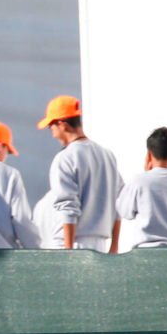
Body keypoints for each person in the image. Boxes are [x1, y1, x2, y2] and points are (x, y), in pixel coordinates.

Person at [38, 95, 124, 251]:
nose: (51, 132)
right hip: (101, 246)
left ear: (62, 124)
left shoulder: (65, 157)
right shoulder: (107, 155)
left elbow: (67, 206)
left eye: (51, 126)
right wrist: (115, 246)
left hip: (71, 242)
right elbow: (118, 202)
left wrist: (69, 250)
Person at [115, 127, 167, 248]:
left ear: (149, 155)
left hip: (146, 254)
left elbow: (124, 211)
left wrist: (146, 173)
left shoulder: (139, 181)